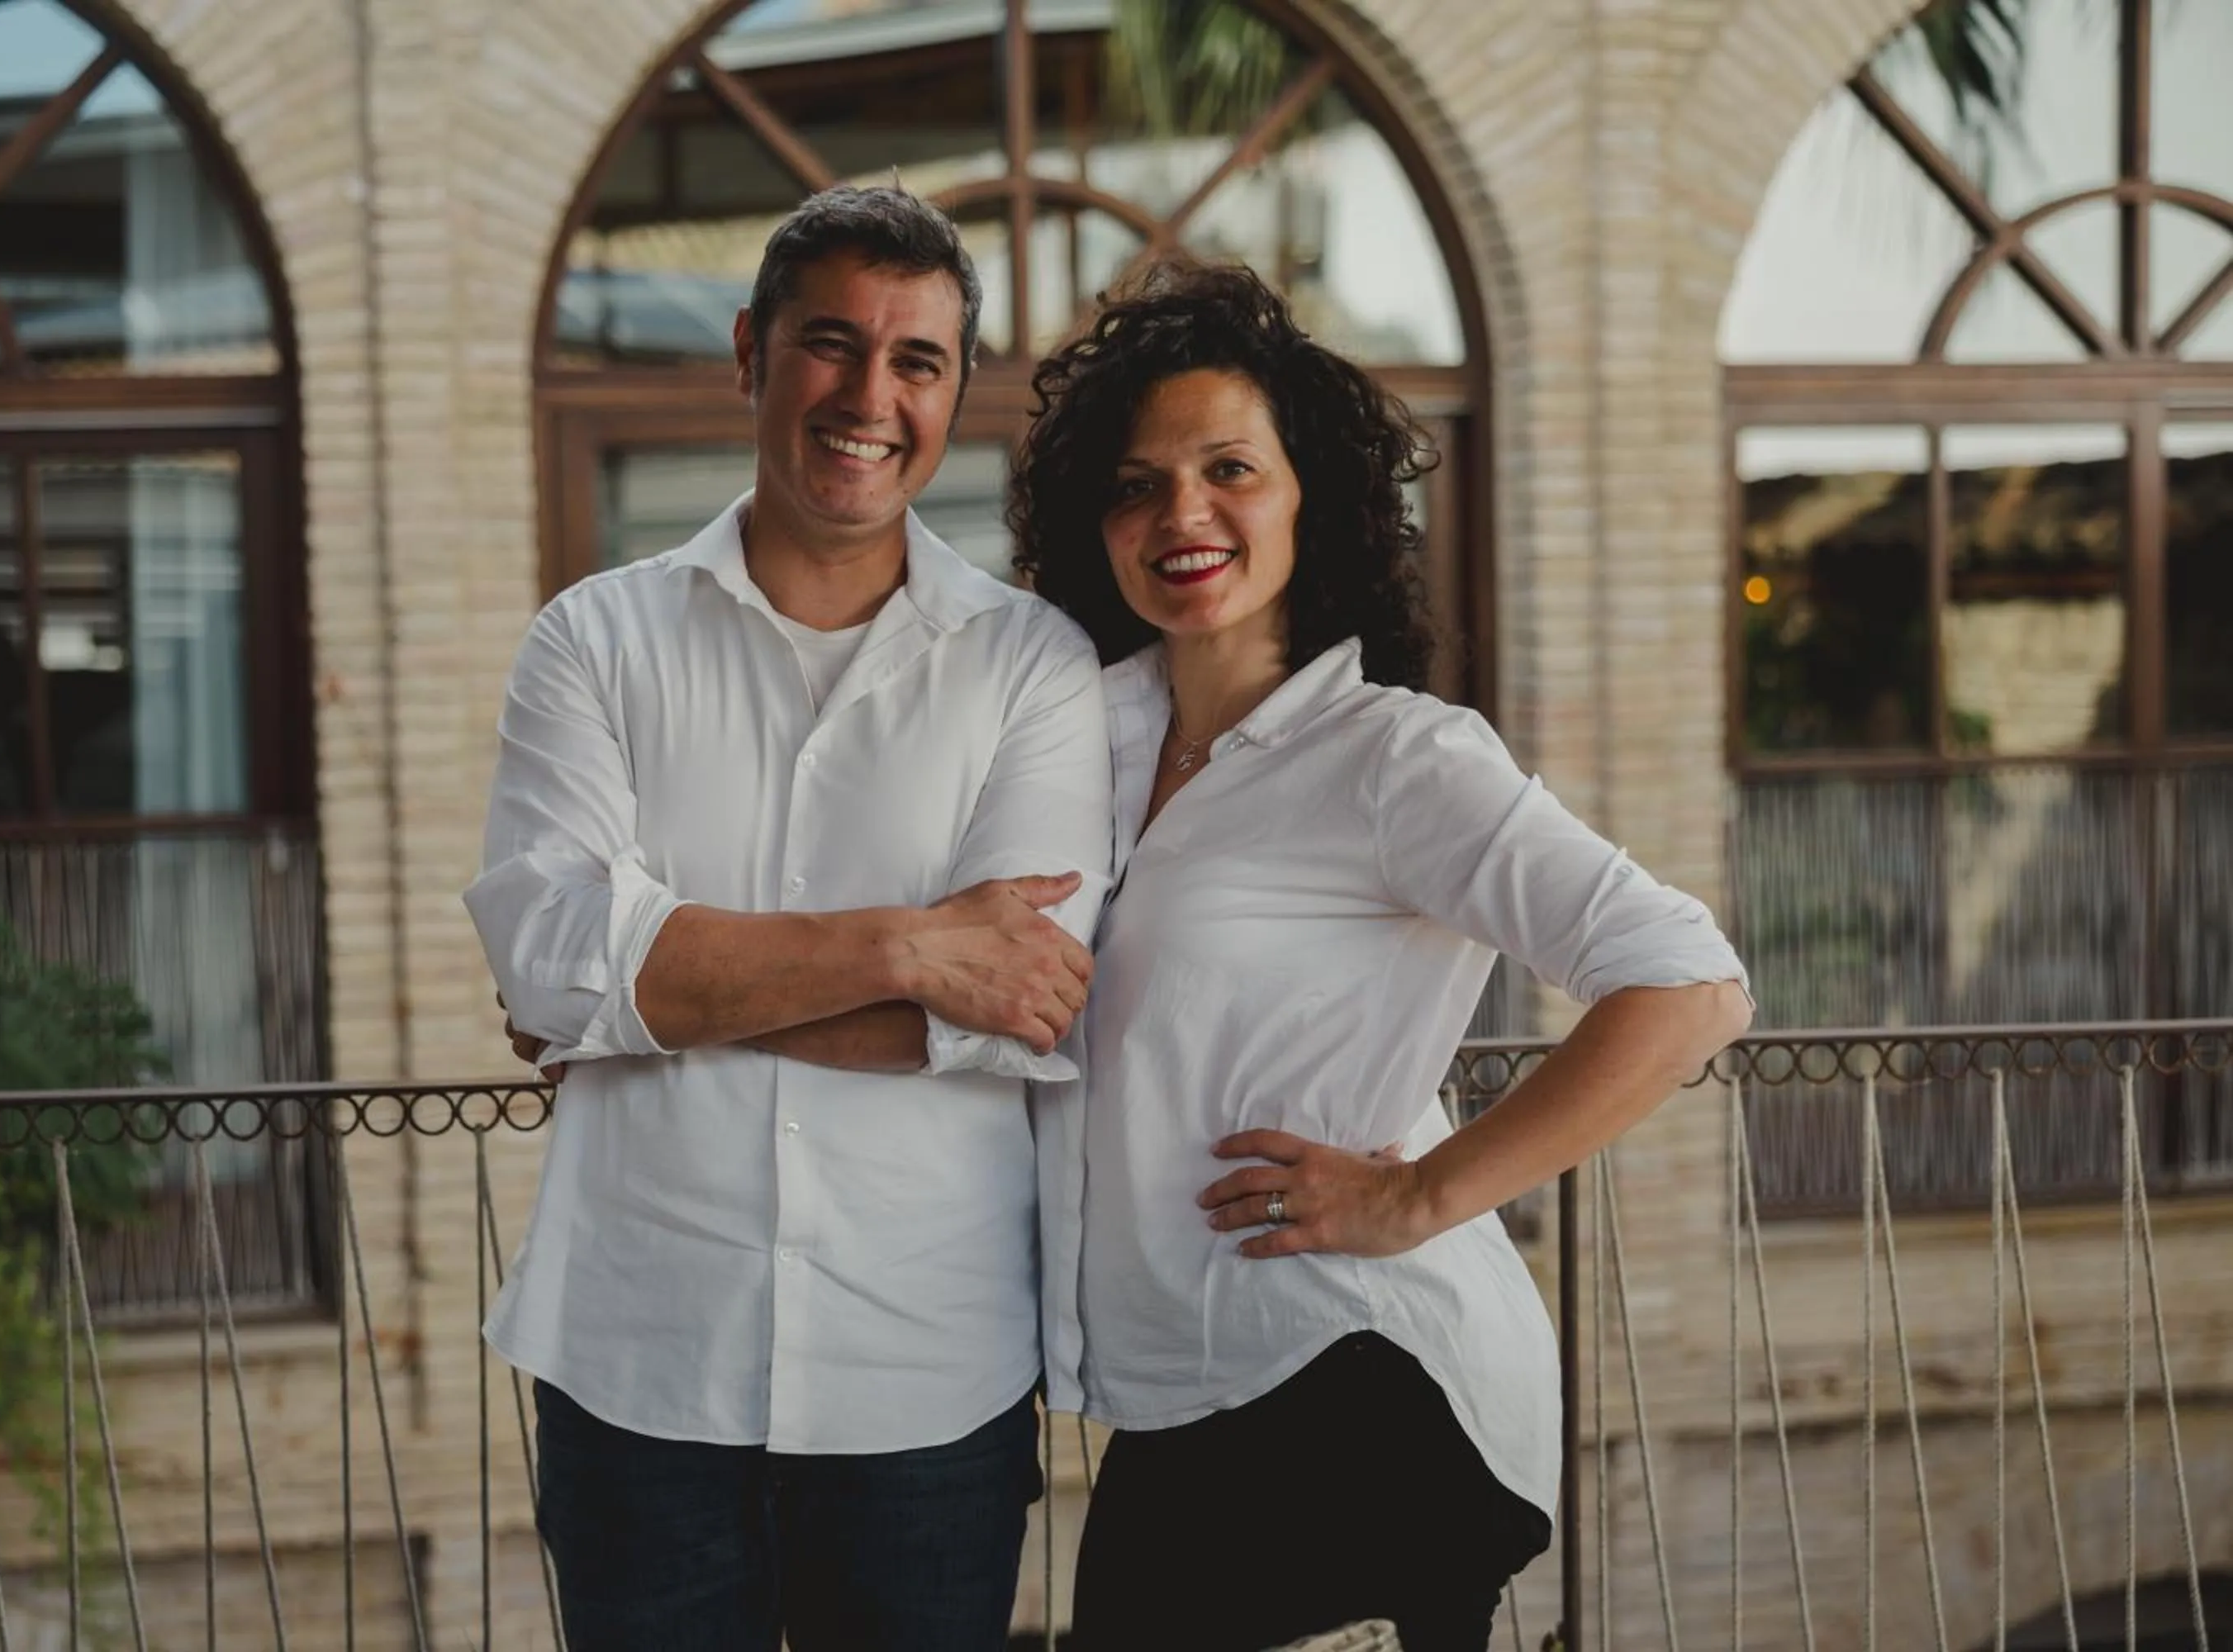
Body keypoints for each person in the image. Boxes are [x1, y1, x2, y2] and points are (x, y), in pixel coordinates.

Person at [1007, 261, 1756, 1652]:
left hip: (1362, 1369)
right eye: (1134, 484)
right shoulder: (1079, 747)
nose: (1182, 513)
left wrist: (1421, 1195)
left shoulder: (1394, 758)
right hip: (1186, 1383)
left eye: (1230, 468)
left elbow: (1689, 981)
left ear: (1310, 498)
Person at [467, 185, 1113, 1652]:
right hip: (637, 1360)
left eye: (918, 361)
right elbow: (558, 966)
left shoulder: (1032, 669)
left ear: (952, 392)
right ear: (752, 353)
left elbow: (1023, 1016)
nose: (869, 396)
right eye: (833, 344)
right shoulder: (593, 639)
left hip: (926, 1379)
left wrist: (665, 988)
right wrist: (908, 947)